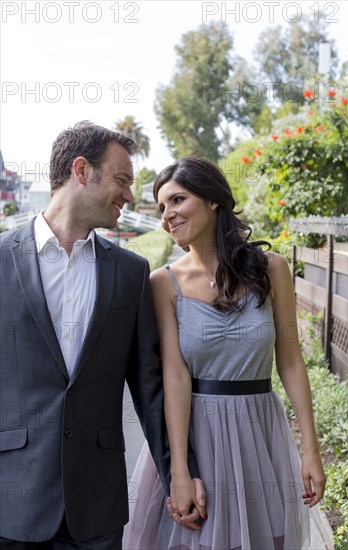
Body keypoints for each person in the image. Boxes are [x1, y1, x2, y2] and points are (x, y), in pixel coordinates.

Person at [0, 122, 204, 548]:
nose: (130, 195)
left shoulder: (130, 273)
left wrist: (179, 476)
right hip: (11, 500)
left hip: (97, 508)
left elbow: (150, 388)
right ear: (81, 171)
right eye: (122, 179)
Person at [123, 157, 326, 549]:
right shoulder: (162, 283)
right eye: (162, 207)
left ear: (213, 200)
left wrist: (310, 450)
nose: (167, 215)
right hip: (198, 436)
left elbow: (290, 361)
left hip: (260, 433)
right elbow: (175, 375)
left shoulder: (272, 269)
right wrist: (179, 471)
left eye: (177, 200)